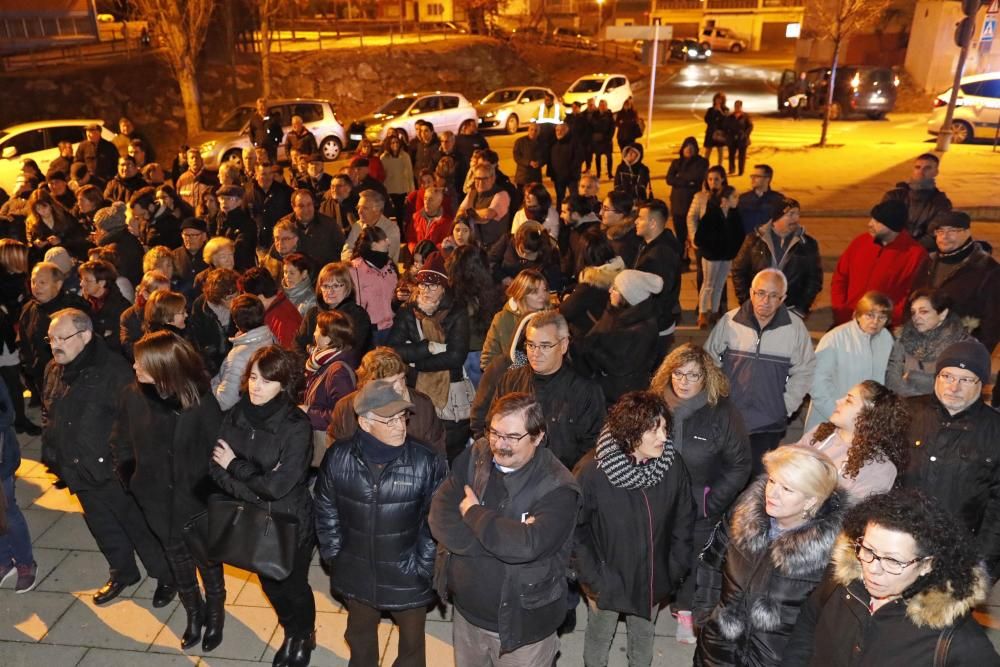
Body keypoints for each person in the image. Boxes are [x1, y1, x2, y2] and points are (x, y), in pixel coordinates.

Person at [429, 392, 582, 665]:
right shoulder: (478, 454)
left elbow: (527, 545)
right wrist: (499, 540)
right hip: (467, 617)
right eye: (495, 433)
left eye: (512, 437)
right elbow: (440, 513)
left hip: (523, 629)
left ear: (537, 437)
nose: (499, 445)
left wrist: (474, 514)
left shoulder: (558, 488)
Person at [42, 308, 174, 606]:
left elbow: (134, 421)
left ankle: (165, 575)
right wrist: (53, 451)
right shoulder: (54, 368)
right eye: (51, 338)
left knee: (138, 526)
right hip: (77, 467)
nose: (55, 344)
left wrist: (120, 464)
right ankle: (123, 572)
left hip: (113, 470)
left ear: (85, 336)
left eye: (63, 337)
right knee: (102, 525)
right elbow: (49, 409)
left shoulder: (114, 371)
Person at [782, 489, 1000, 666]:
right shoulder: (842, 582)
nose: (873, 569)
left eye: (893, 561)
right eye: (868, 550)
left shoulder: (958, 641)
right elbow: (808, 622)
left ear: (927, 564)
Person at [315, 379, 446, 666]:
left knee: (412, 647)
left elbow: (436, 518)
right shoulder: (338, 457)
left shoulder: (426, 460)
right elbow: (325, 509)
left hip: (409, 575)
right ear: (364, 422)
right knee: (360, 638)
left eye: (402, 416)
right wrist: (336, 555)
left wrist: (423, 565)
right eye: (389, 420)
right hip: (356, 571)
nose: (400, 426)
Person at [113, 331, 227, 651]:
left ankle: (215, 612)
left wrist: (207, 493)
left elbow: (219, 452)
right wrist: (129, 475)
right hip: (154, 499)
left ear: (162, 366)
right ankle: (194, 611)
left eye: (141, 361)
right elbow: (120, 439)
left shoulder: (201, 401)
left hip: (196, 502)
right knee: (176, 557)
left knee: (207, 561)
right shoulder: (132, 395)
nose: (134, 365)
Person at [210, 345, 316, 667]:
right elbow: (215, 466)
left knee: (293, 585)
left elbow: (278, 486)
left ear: (283, 384)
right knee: (269, 583)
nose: (257, 386)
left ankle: (303, 634)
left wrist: (237, 467)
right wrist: (251, 486)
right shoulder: (236, 413)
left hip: (289, 521)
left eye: (267, 381)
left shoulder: (296, 426)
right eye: (254, 377)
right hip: (253, 518)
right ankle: (290, 629)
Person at [693, 445, 846, 666]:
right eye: (772, 481)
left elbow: (825, 624)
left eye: (787, 489)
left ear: (812, 500)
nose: (772, 493)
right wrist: (705, 615)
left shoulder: (831, 553)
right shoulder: (744, 514)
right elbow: (710, 562)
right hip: (716, 651)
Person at [573, 390, 695, 666]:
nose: (664, 437)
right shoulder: (592, 472)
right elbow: (575, 532)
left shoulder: (672, 465)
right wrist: (593, 581)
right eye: (654, 430)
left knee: (642, 641)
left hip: (652, 581)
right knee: (598, 639)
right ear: (630, 433)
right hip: (606, 582)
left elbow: (684, 519)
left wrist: (674, 569)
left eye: (665, 427)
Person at [650, 343, 751, 644]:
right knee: (658, 556)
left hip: (699, 505)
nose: (683, 381)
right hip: (656, 501)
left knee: (694, 562)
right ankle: (656, 604)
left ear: (706, 377)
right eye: (678, 373)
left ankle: (686, 613)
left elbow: (740, 465)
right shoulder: (654, 405)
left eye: (692, 375)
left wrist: (711, 501)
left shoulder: (722, 412)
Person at [897, 339, 1000, 579]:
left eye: (965, 380)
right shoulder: (905, 413)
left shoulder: (995, 431)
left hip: (958, 554)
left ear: (982, 384)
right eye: (947, 376)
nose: (953, 387)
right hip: (899, 547)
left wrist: (981, 565)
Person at [705, 268, 816, 474]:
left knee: (757, 481)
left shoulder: (794, 328)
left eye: (774, 296)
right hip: (730, 417)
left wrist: (785, 406)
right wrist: (717, 398)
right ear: (751, 292)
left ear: (783, 298)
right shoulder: (730, 321)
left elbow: (805, 370)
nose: (766, 300)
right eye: (761, 293)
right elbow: (708, 360)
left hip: (768, 422)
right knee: (724, 475)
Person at [487, 311, 606, 471]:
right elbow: (490, 425)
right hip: (513, 471)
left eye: (545, 346)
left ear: (563, 345)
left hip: (561, 477)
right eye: (531, 345)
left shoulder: (585, 391)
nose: (536, 353)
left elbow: (592, 448)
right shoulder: (510, 381)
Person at [387, 253, 471, 461]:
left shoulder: (456, 312)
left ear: (443, 288)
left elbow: (455, 357)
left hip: (450, 390)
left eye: (432, 286)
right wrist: (428, 348)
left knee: (450, 447)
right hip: (415, 388)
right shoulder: (408, 311)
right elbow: (392, 350)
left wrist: (416, 362)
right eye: (423, 284)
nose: (425, 290)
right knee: (419, 441)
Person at [797, 379, 906, 503]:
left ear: (868, 414)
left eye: (849, 401)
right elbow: (786, 464)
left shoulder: (880, 468)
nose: (838, 401)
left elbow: (853, 514)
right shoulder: (820, 433)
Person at [910, 211, 999, 353]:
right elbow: (912, 299)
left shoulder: (987, 269)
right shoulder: (928, 262)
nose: (944, 236)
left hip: (961, 350)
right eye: (940, 231)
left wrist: (975, 354)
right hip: (922, 347)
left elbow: (993, 321)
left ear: (967, 232)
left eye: (952, 231)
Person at [804, 292, 894, 431]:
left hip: (867, 422)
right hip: (830, 418)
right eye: (870, 315)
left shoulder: (887, 339)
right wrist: (837, 414)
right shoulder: (835, 337)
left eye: (882, 317)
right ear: (858, 314)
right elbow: (816, 382)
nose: (875, 322)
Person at [830, 200, 927, 326]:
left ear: (893, 226)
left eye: (877, 222)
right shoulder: (860, 242)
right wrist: (841, 310)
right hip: (847, 321)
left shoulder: (916, 254)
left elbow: (911, 295)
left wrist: (886, 320)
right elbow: (840, 277)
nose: (870, 224)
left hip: (883, 326)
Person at [577, 269, 663, 404]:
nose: (610, 290)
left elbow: (619, 364)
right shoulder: (620, 313)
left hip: (621, 397)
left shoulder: (642, 329)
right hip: (608, 388)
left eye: (616, 289)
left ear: (628, 296)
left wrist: (591, 348)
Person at [732, 197, 823, 317]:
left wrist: (801, 308)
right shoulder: (754, 240)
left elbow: (814, 279)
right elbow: (739, 271)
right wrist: (747, 302)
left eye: (797, 214)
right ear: (776, 218)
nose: (796, 218)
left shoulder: (808, 244)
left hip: (790, 310)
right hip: (758, 308)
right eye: (791, 214)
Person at [17, 262, 90, 407]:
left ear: (58, 284)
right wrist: (30, 368)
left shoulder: (74, 308)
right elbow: (24, 342)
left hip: (72, 379)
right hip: (42, 379)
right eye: (33, 281)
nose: (35, 286)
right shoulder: (29, 309)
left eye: (42, 282)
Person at [885, 289, 971, 398]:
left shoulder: (961, 345)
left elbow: (955, 384)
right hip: (905, 405)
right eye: (913, 312)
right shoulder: (903, 339)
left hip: (942, 408)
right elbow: (892, 378)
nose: (916, 317)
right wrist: (916, 399)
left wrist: (914, 377)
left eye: (923, 311)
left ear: (942, 314)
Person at [302, 309, 357, 460]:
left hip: (329, 446)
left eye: (317, 330)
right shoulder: (323, 361)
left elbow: (343, 415)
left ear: (328, 339)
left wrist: (309, 412)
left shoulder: (338, 371)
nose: (313, 334)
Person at [634, 199, 681, 361]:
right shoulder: (653, 245)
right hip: (655, 324)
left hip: (655, 327)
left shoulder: (659, 255)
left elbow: (659, 297)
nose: (636, 221)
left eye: (640, 218)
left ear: (653, 223)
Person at [0, 376, 36, 593]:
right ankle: (4, 560)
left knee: (8, 510)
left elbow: (7, 415)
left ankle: (26, 563)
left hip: (1, 458)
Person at [211, 295, 277, 411]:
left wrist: (212, 386)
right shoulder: (271, 338)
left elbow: (224, 402)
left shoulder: (238, 356)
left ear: (236, 323)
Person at [296, 261, 372, 358]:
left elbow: (356, 351)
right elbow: (298, 345)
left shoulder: (358, 315)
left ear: (348, 287)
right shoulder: (312, 314)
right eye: (326, 286)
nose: (330, 291)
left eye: (336, 286)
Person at [694, 185, 744, 329]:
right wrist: (711, 247)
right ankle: (702, 313)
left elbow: (739, 235)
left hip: (726, 256)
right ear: (724, 200)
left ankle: (715, 312)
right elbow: (700, 238)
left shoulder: (735, 215)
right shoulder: (711, 214)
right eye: (734, 197)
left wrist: (734, 250)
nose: (737, 200)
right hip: (712, 256)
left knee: (720, 285)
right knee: (708, 284)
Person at [479, 268, 549, 372]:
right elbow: (487, 360)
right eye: (535, 292)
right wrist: (505, 381)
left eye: (544, 290)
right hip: (514, 381)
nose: (542, 296)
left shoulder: (550, 316)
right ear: (521, 293)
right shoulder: (502, 319)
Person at [559, 233, 624, 340]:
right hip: (612, 333)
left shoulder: (592, 283)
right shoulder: (618, 272)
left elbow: (565, 310)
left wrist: (565, 297)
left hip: (592, 339)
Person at [881, 152, 952, 249]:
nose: (921, 172)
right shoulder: (894, 196)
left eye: (927, 168)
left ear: (936, 172)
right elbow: (882, 226)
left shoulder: (941, 203)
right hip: (891, 247)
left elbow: (933, 236)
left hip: (919, 253)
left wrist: (909, 249)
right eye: (917, 167)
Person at [349, 225, 398, 345]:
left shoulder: (390, 265)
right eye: (384, 239)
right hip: (371, 332)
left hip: (393, 327)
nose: (389, 242)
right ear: (373, 245)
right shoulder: (354, 270)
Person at [666, 136, 708, 268]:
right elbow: (669, 179)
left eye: (692, 147)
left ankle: (700, 258)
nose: (689, 149)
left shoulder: (702, 162)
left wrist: (679, 178)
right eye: (686, 147)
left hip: (693, 203)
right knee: (680, 234)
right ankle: (682, 259)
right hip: (678, 203)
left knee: (695, 233)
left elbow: (697, 177)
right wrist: (686, 181)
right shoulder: (676, 163)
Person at [187, 268, 238, 376]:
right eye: (229, 298)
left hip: (236, 360)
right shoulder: (200, 306)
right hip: (212, 363)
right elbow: (196, 339)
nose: (234, 301)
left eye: (236, 295)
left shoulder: (241, 304)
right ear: (217, 297)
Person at [281, 188, 345, 271]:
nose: (306, 209)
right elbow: (275, 253)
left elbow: (342, 249)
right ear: (293, 207)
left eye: (309, 204)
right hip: (296, 276)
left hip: (324, 275)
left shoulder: (329, 224)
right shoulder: (284, 226)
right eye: (301, 206)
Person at [239, 267, 302, 349]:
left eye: (248, 297)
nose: (247, 302)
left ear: (260, 297)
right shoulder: (277, 308)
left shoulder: (283, 322)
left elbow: (291, 356)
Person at [78, 259, 130, 352]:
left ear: (102, 283)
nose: (81, 284)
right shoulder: (81, 303)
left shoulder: (121, 307)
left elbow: (116, 343)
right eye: (81, 279)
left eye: (87, 280)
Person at [456, 163, 510, 251]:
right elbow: (459, 214)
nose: (480, 182)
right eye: (477, 178)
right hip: (474, 247)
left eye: (485, 178)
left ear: (493, 178)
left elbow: (487, 215)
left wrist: (469, 212)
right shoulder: (472, 193)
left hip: (494, 249)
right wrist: (473, 214)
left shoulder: (502, 195)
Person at [119, 270, 171, 360]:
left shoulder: (172, 310)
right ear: (146, 294)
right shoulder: (130, 316)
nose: (166, 299)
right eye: (160, 295)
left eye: (168, 294)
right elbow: (130, 349)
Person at [342, 189, 401, 263]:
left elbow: (384, 258)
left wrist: (359, 264)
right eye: (358, 207)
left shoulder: (391, 228)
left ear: (377, 211)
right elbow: (347, 249)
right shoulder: (357, 225)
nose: (359, 211)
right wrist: (351, 263)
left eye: (364, 208)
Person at [737, 164, 784, 234]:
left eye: (757, 176)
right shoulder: (743, 199)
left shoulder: (778, 199)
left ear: (767, 179)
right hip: (747, 242)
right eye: (752, 176)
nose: (753, 179)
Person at [548, 123, 585, 210]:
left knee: (574, 197)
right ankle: (560, 214)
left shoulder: (574, 142)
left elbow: (579, 158)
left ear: (567, 131)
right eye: (557, 130)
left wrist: (570, 171)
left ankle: (575, 213)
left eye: (561, 130)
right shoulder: (553, 143)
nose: (559, 132)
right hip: (558, 177)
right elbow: (549, 159)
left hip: (571, 177)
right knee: (560, 197)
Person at [601, 189, 641, 268]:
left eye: (606, 209)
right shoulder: (607, 232)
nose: (600, 213)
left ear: (621, 213)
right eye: (602, 207)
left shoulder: (628, 242)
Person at [381, 134, 414, 222]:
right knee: (393, 212)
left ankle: (402, 231)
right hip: (390, 189)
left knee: (401, 212)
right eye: (392, 143)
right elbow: (382, 175)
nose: (395, 144)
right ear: (389, 144)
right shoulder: (384, 158)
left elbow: (410, 174)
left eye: (397, 142)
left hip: (402, 189)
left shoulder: (405, 156)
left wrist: (411, 189)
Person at [281, 253, 316, 317]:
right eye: (285, 272)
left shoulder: (311, 300)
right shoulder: (280, 294)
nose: (287, 276)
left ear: (304, 274)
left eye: (292, 273)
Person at [724, 100, 753, 177]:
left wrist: (745, 134)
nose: (737, 107)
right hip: (732, 138)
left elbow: (750, 126)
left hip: (742, 138)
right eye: (735, 106)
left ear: (741, 107)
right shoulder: (730, 116)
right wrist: (728, 134)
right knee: (731, 155)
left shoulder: (745, 116)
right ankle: (731, 169)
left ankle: (741, 171)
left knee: (742, 156)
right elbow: (725, 126)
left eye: (738, 106)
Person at [513, 121, 545, 187]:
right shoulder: (520, 141)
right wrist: (529, 162)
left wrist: (539, 163)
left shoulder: (542, 143)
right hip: (523, 176)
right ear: (528, 130)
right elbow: (516, 156)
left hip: (536, 177)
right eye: (532, 129)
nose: (533, 132)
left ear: (539, 132)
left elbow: (545, 157)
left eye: (536, 130)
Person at [591, 100, 615, 180]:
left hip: (607, 140)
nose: (602, 107)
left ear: (606, 106)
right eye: (601, 105)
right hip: (597, 139)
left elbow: (612, 127)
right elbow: (591, 126)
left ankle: (610, 174)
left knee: (609, 157)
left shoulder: (610, 115)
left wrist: (609, 137)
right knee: (597, 157)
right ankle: (598, 174)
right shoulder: (595, 114)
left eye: (604, 105)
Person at [703, 92, 729, 166]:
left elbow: (726, 119)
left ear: (723, 100)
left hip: (720, 133)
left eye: (720, 99)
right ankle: (705, 166)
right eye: (717, 99)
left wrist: (720, 111)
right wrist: (714, 111)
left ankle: (720, 166)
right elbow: (706, 120)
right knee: (708, 150)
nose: (718, 101)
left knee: (720, 151)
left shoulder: (725, 109)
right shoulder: (710, 110)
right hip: (710, 132)